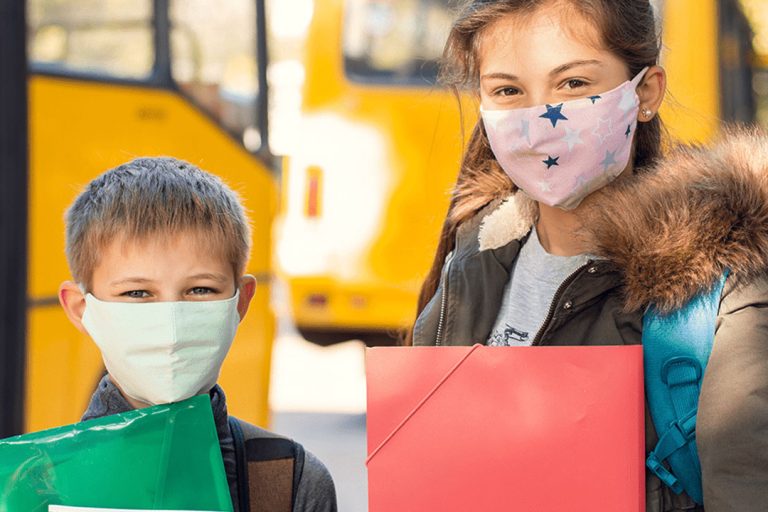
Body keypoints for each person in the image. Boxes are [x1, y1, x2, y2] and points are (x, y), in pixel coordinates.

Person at [408, 0, 768, 510]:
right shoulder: (472, 261)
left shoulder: (720, 288)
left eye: (573, 84)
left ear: (645, 91)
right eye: (508, 91)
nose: (539, 118)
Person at [57, 157, 338, 512]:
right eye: (137, 293)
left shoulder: (289, 480)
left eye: (200, 289)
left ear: (240, 302)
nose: (171, 321)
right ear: (82, 308)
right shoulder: (35, 481)